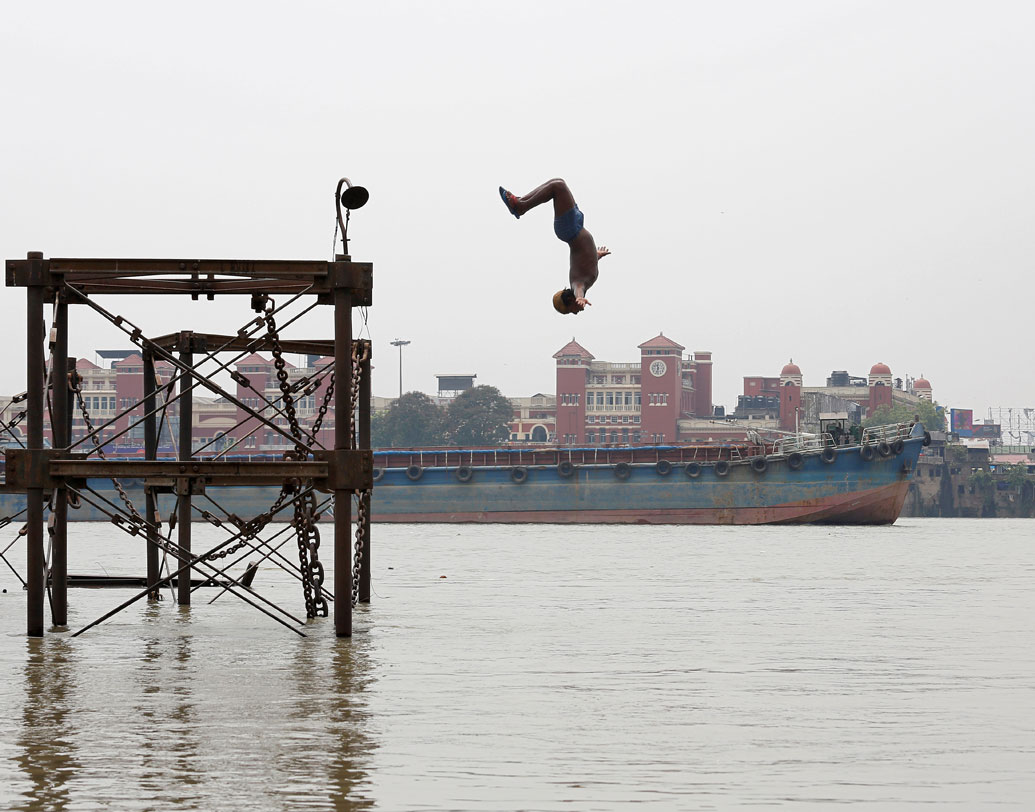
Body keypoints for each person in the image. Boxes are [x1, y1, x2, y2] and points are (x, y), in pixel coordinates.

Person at [499, 178, 610, 314]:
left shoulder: (577, 283)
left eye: (571, 311)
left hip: (570, 229)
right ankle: (520, 202)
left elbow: (578, 289)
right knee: (557, 183)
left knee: (558, 186)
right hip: (574, 227)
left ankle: (521, 205)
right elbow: (585, 261)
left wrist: (580, 297)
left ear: (570, 300)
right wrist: (596, 254)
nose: (576, 312)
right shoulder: (584, 281)